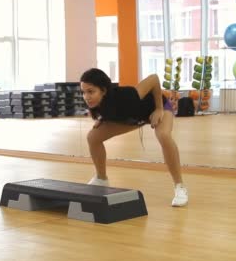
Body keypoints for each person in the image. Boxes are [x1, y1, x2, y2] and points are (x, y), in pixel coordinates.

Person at [80, 68, 188, 207]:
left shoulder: (127, 96)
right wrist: (103, 118)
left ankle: (180, 187)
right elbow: (114, 112)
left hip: (155, 109)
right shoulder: (97, 105)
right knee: (93, 137)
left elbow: (154, 78)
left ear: (104, 90)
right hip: (135, 118)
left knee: (163, 135)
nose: (86, 97)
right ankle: (101, 179)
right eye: (83, 92)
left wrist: (159, 109)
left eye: (91, 91)